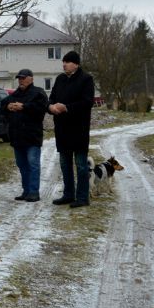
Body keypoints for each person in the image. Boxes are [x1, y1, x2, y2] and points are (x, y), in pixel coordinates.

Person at [47, 51, 95, 208]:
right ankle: (68, 194)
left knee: (81, 165)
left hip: (78, 130)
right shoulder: (60, 79)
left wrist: (67, 108)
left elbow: (87, 102)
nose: (64, 64)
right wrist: (51, 106)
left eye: (67, 62)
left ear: (76, 64)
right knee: (64, 164)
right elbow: (52, 97)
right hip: (62, 129)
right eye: (63, 62)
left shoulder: (86, 79)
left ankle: (82, 197)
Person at [0, 68, 48, 202]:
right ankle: (26, 191)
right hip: (17, 136)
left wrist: (24, 107)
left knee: (33, 164)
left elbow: (42, 108)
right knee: (22, 165)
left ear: (31, 78)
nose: (21, 80)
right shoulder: (15, 94)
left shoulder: (38, 93)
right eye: (19, 78)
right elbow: (2, 106)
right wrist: (7, 107)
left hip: (32, 136)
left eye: (23, 78)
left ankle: (34, 192)